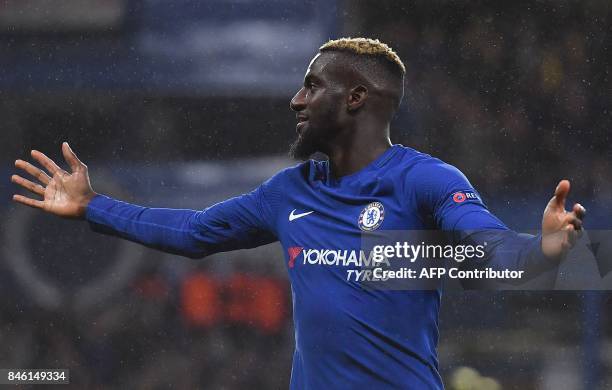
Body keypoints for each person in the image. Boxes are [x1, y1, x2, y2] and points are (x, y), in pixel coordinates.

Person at [11, 38, 585, 389]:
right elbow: (194, 233)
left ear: (355, 99)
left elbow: (487, 248)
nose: (297, 100)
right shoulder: (289, 193)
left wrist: (546, 251)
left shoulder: (425, 181)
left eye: (313, 86)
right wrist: (93, 207)